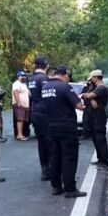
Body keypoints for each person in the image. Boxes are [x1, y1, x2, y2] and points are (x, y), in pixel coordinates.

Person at [42, 66, 87, 198]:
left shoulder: (45, 88)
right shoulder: (64, 87)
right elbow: (79, 105)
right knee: (69, 157)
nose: (69, 79)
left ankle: (56, 187)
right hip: (66, 127)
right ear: (63, 75)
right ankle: (70, 188)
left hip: (50, 126)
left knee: (55, 157)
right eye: (68, 76)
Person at [80, 69, 108, 169]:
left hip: (100, 116)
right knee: (96, 138)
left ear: (96, 78)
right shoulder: (96, 88)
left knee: (100, 138)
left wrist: (89, 97)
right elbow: (87, 95)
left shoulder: (101, 88)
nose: (91, 80)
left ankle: (105, 162)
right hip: (95, 116)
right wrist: (90, 98)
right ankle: (100, 158)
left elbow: (87, 95)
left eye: (92, 78)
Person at [28, 56, 51, 181]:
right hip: (44, 112)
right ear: (46, 66)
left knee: (41, 142)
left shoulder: (30, 79)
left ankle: (45, 171)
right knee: (50, 142)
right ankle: (52, 169)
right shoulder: (44, 79)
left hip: (35, 111)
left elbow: (30, 95)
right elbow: (48, 95)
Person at [12, 71, 30, 140]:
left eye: (25, 76)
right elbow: (15, 92)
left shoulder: (24, 84)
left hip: (25, 106)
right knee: (20, 119)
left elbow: (28, 93)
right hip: (19, 105)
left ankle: (22, 133)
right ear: (19, 76)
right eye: (23, 76)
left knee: (24, 120)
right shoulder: (16, 83)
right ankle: (19, 135)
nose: (25, 77)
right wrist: (18, 102)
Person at [80, 75, 96, 143]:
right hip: (87, 106)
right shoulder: (86, 88)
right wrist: (87, 96)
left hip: (94, 108)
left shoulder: (96, 88)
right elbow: (82, 95)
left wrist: (89, 96)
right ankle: (84, 134)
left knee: (94, 122)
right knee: (85, 121)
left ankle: (93, 134)